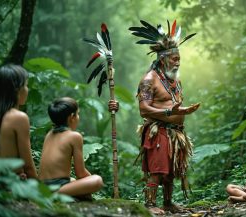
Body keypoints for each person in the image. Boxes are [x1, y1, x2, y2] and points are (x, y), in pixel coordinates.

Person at [129, 19, 200, 214]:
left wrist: (182, 112)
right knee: (157, 170)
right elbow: (143, 109)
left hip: (175, 133)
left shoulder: (174, 80)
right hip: (157, 131)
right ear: (162, 59)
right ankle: (150, 205)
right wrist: (170, 113)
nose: (178, 62)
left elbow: (174, 104)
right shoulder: (148, 80)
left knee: (170, 171)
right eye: (174, 58)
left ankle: (167, 202)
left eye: (179, 58)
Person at [39, 97, 115, 200]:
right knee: (97, 180)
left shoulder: (49, 134)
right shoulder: (74, 136)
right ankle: (54, 194)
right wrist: (90, 178)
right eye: (77, 114)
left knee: (73, 180)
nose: (78, 117)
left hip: (42, 186)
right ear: (72, 117)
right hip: (56, 187)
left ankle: (49, 193)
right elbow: (80, 173)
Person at [0, 64, 38, 179]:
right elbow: (28, 166)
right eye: (26, 85)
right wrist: (40, 193)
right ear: (17, 90)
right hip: (12, 186)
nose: (27, 90)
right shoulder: (18, 118)